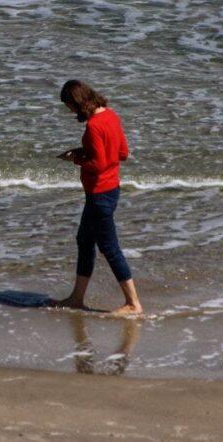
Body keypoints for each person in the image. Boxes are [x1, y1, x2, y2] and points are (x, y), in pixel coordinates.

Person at [49, 79, 143, 316]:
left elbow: (98, 163)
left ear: (77, 102)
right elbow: (122, 153)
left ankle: (133, 303)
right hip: (110, 189)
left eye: (69, 107)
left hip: (100, 194)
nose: (70, 112)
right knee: (84, 241)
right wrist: (84, 152)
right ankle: (77, 298)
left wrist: (76, 159)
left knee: (110, 248)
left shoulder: (93, 126)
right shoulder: (111, 115)